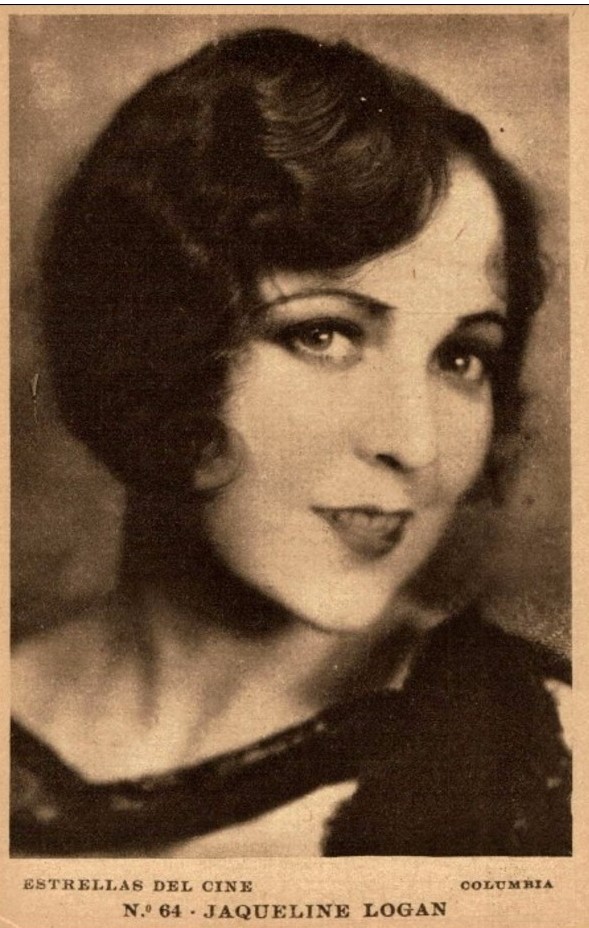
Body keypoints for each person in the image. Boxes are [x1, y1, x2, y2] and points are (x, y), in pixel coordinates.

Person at [10, 27, 571, 857]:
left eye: (461, 357)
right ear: (154, 340)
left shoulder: (534, 758)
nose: (414, 444)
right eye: (323, 335)